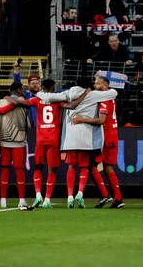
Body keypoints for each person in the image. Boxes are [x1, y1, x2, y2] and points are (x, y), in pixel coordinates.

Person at [36, 78, 118, 208]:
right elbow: (114, 93)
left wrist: (38, 93)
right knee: (84, 167)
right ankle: (80, 193)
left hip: (70, 137)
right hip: (86, 137)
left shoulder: (68, 93)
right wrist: (104, 88)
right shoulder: (94, 94)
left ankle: (69, 197)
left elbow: (50, 96)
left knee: (71, 167)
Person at [73, 76, 125, 209]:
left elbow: (101, 120)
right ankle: (112, 197)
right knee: (103, 166)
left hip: (106, 137)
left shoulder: (103, 99)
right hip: (112, 135)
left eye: (98, 83)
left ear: (106, 85)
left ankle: (110, 196)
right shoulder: (109, 98)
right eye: (95, 83)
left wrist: (82, 119)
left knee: (95, 166)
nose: (96, 85)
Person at [25, 79, 62, 209]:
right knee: (53, 170)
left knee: (38, 167)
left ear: (42, 87)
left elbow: (23, 103)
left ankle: (38, 194)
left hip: (41, 139)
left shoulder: (36, 100)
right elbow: (70, 105)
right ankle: (47, 199)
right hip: (53, 139)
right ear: (52, 87)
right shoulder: (58, 100)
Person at [0, 82, 30, 209]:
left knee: (4, 169)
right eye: (21, 88)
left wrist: (6, 97)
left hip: (4, 139)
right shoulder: (24, 101)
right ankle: (21, 200)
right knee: (19, 170)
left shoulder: (1, 102)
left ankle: (3, 200)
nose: (23, 90)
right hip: (19, 139)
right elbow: (28, 122)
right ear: (17, 89)